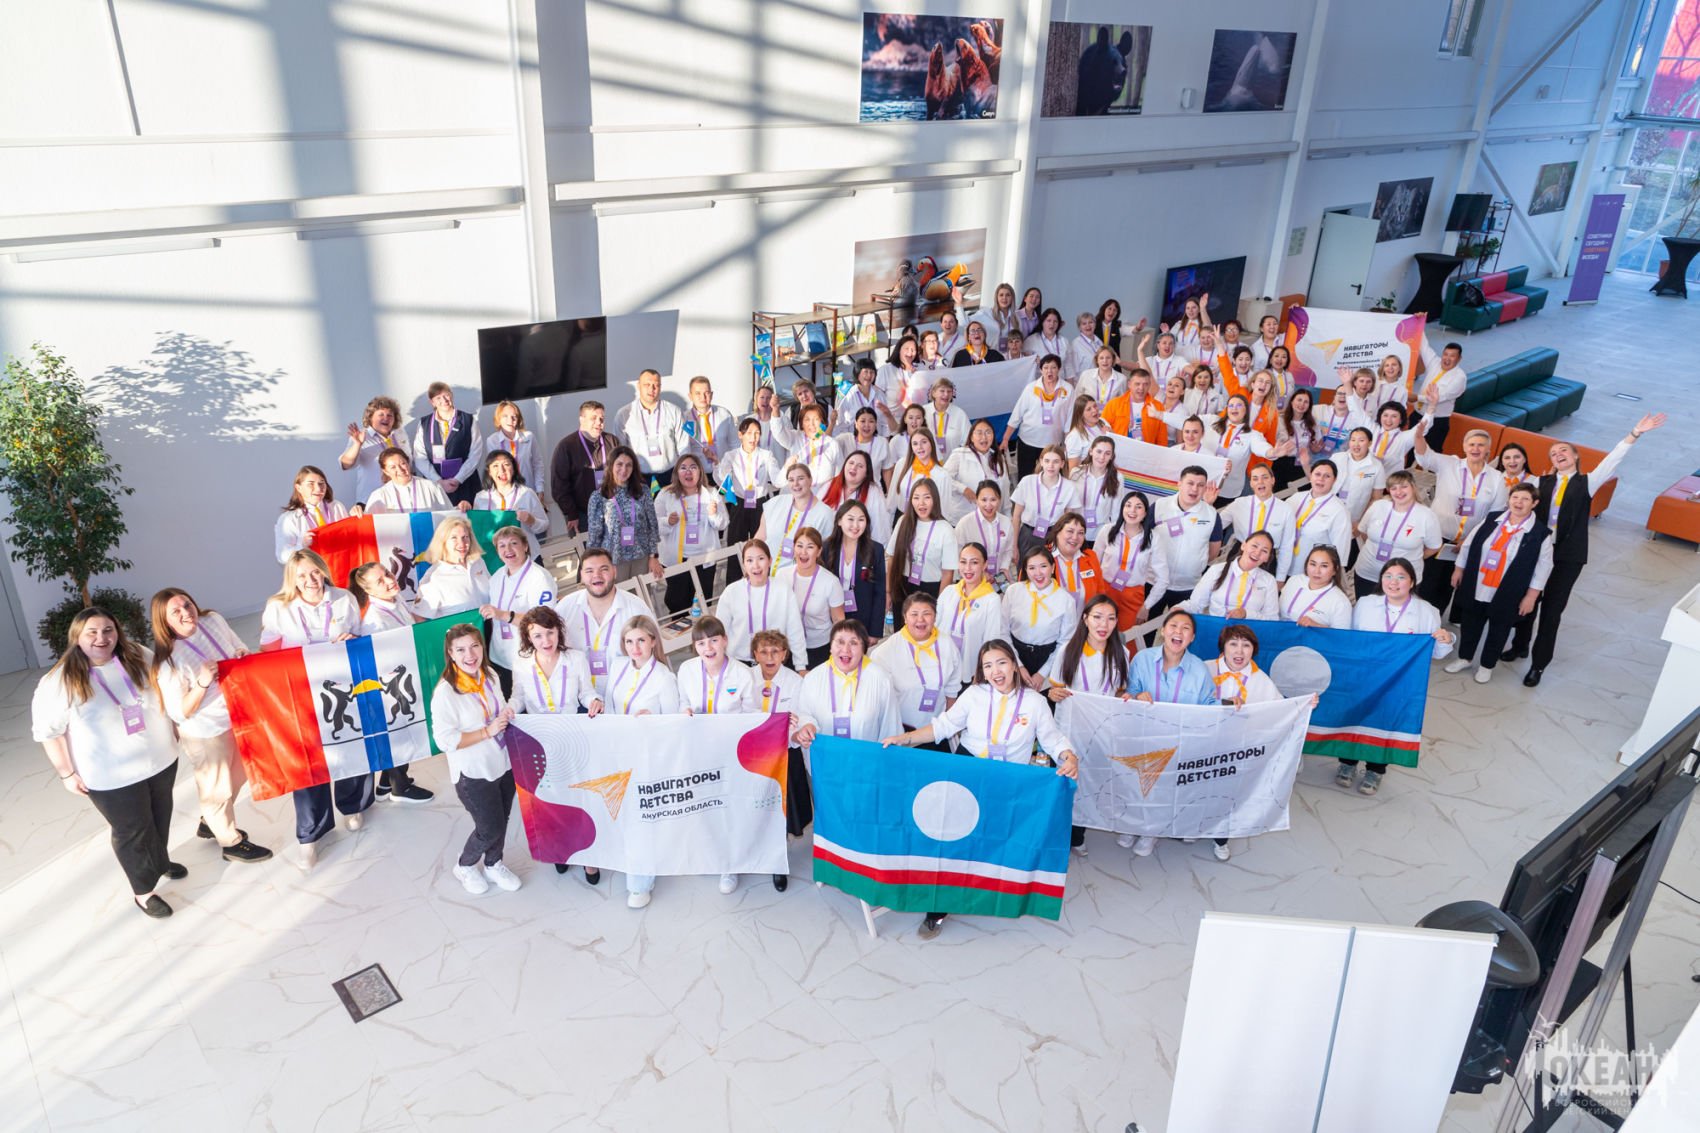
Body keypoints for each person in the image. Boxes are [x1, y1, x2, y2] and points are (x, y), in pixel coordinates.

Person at [881, 638, 1079, 939]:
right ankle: (938, 905)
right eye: (988, 666)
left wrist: (1069, 756)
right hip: (968, 772)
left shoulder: (1035, 702)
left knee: (994, 837)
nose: (995, 671)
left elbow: (1052, 739)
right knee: (952, 839)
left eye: (1001, 663)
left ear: (1014, 665)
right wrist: (904, 739)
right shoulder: (974, 695)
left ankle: (987, 892)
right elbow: (942, 727)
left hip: (1007, 779)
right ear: (981, 671)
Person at [33, 608, 186, 916]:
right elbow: (48, 732)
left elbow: (162, 690)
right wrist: (66, 773)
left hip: (160, 760)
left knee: (160, 815)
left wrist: (174, 723)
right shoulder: (59, 680)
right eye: (91, 632)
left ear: (117, 631)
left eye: (108, 630)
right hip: (112, 776)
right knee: (133, 830)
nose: (101, 638)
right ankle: (143, 891)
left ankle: (159, 861)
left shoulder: (136, 655)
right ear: (76, 637)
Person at [1509, 413, 1666, 686]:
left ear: (1575, 456)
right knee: (1526, 601)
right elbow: (1515, 496)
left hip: (1568, 556)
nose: (1558, 455)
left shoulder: (1587, 482)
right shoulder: (1540, 483)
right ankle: (1519, 645)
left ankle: (1538, 665)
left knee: (1551, 612)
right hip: (1537, 552)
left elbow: (1613, 459)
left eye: (1563, 451)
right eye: (1553, 453)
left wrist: (1635, 432)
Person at [258, 551, 371, 867]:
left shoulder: (344, 598)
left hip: (343, 685)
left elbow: (361, 636)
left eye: (315, 572)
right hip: (302, 691)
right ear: (292, 579)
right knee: (308, 760)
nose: (310, 580)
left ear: (323, 571)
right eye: (302, 575)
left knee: (350, 746)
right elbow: (267, 649)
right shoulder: (278, 607)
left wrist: (353, 639)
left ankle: (353, 805)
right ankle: (311, 832)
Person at [145, 590, 272, 867]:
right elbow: (180, 712)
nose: (186, 612)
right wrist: (202, 683)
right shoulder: (168, 662)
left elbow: (237, 645)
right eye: (175, 612)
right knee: (217, 788)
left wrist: (241, 654)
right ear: (164, 621)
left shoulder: (212, 620)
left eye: (187, 604)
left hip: (238, 713)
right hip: (206, 731)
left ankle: (210, 821)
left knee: (241, 773)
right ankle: (230, 842)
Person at [1344, 558, 1454, 794]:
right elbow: (1351, 639)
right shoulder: (1365, 604)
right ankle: (1347, 762)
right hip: (1365, 677)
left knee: (1386, 724)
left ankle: (1375, 770)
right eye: (1388, 576)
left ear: (1412, 581)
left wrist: (1447, 640)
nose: (1393, 582)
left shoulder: (1427, 611)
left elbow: (1435, 652)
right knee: (1356, 718)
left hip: (1399, 682)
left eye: (1401, 577)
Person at [429, 624, 521, 895]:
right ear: (450, 653)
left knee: (502, 819)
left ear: (482, 647)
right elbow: (444, 740)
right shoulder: (445, 693)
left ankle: (493, 863)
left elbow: (499, 706)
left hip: (503, 762)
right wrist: (486, 732)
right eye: (461, 650)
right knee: (488, 828)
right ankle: (465, 865)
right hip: (474, 772)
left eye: (474, 646)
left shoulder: (489, 674)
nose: (469, 655)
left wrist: (506, 714)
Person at [1124, 610, 1220, 855]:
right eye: (1173, 625)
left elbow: (1210, 706)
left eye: (1185, 628)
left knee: (1164, 788)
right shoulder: (1142, 659)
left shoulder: (1199, 669)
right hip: (1143, 735)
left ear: (1192, 637)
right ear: (1163, 630)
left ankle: (1151, 831)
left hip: (1178, 742)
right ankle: (1132, 824)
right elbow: (1129, 691)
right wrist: (1136, 695)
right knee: (1136, 783)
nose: (1178, 631)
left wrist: (1232, 705)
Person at [1445, 483, 1553, 685]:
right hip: (1478, 583)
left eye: (1525, 499)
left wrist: (1531, 597)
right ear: (1509, 499)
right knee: (1470, 622)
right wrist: (1459, 569)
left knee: (1499, 628)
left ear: (1534, 503)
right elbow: (1469, 545)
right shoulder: (1492, 519)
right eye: (1515, 497)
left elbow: (1543, 568)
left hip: (1509, 590)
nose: (1518, 502)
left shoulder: (1540, 534)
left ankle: (1487, 666)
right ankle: (1465, 658)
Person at [1413, 422, 1508, 618]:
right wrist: (1419, 436)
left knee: (1446, 588)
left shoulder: (1497, 478)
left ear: (1488, 449)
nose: (1476, 449)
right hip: (1437, 539)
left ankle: (1434, 624)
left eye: (1481, 445)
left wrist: (1470, 539)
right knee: (1425, 584)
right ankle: (1413, 622)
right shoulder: (1449, 464)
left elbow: (1495, 516)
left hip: (1465, 545)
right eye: (1471, 444)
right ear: (1464, 446)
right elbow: (1425, 456)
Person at [554, 548, 652, 699]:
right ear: (581, 575)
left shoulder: (636, 608)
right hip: (578, 699)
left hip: (626, 697)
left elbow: (653, 654)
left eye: (604, 569)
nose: (597, 575)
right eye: (589, 571)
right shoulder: (565, 608)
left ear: (614, 572)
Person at [790, 620, 902, 748]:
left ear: (864, 649)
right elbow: (804, 713)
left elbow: (890, 726)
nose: (846, 649)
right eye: (840, 642)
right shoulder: (813, 678)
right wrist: (807, 726)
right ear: (830, 647)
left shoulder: (881, 679)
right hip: (825, 756)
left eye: (853, 643)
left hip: (865, 758)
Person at [871, 592, 962, 749]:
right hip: (900, 734)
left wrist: (949, 726)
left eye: (927, 614)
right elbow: (877, 700)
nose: (920, 620)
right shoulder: (885, 652)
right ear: (905, 618)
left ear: (935, 617)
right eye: (914, 614)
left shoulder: (947, 644)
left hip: (936, 732)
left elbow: (951, 691)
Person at [479, 525, 554, 689]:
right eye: (502, 545)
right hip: (500, 658)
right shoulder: (496, 577)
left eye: (514, 543)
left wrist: (503, 615)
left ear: (525, 546)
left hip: (529, 659)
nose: (508, 550)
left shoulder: (539, 577)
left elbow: (543, 621)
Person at [655, 452, 727, 615]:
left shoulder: (711, 493)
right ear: (676, 473)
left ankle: (703, 631)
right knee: (677, 604)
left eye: (693, 467)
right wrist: (667, 521)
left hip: (705, 559)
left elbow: (723, 524)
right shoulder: (666, 494)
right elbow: (654, 525)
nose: (688, 471)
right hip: (676, 559)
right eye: (683, 468)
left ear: (700, 471)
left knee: (703, 605)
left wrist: (714, 514)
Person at [719, 539, 807, 665]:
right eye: (749, 560)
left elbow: (795, 630)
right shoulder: (731, 592)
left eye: (761, 558)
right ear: (744, 564)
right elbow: (720, 632)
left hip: (774, 661)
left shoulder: (783, 590)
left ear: (770, 561)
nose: (756, 565)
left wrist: (801, 665)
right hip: (738, 662)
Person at [1353, 471, 1442, 597]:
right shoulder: (1378, 506)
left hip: (1402, 580)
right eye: (1393, 488)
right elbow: (1363, 531)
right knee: (1364, 607)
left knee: (1398, 609)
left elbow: (1434, 547)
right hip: (1367, 573)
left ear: (1413, 487)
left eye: (1404, 486)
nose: (1398, 492)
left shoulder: (1426, 516)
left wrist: (1412, 557)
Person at [1150, 467, 1224, 615]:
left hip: (1188, 586)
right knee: (1146, 625)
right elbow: (1143, 539)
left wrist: (1195, 564)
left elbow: (1213, 552)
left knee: (1181, 626)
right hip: (1153, 581)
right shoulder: (1159, 506)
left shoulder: (1212, 515)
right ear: (1179, 484)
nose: (1195, 489)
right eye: (1190, 483)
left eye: (1200, 485)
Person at [586, 444, 663, 583]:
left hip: (641, 557)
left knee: (641, 595)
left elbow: (652, 525)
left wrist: (654, 556)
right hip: (613, 560)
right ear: (611, 466)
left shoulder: (643, 491)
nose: (624, 469)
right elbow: (594, 535)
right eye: (619, 464)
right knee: (617, 595)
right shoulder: (599, 497)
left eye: (629, 465)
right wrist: (593, 565)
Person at [1095, 490, 1167, 633]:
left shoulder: (1153, 538)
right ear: (1122, 508)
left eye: (1138, 507)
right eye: (1128, 505)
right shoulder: (1108, 530)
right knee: (1100, 634)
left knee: (1127, 640)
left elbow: (1163, 579)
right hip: (1104, 592)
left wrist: (1146, 606)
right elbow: (1094, 563)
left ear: (1145, 513)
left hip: (1132, 598)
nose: (1132, 510)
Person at [774, 527, 846, 668]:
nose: (803, 552)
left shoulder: (830, 582)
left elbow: (839, 620)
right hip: (788, 645)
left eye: (810, 547)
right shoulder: (782, 575)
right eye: (799, 546)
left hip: (819, 647)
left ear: (819, 552)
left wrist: (838, 650)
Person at [1004, 543, 1076, 677]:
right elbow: (1003, 631)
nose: (1038, 573)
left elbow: (1065, 642)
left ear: (1053, 568)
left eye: (1043, 566)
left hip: (1049, 659)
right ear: (1025, 570)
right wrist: (1018, 665)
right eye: (1032, 568)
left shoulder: (1066, 600)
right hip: (1014, 653)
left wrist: (1042, 674)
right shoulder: (1013, 591)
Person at [937, 543, 1004, 685]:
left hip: (969, 671)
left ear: (985, 565)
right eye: (963, 562)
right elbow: (934, 626)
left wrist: (981, 673)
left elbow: (990, 640)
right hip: (940, 664)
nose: (967, 568)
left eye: (974, 562)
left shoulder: (991, 600)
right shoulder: (949, 591)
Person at [550, 400, 618, 537]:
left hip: (612, 511)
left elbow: (624, 474)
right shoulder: (566, 446)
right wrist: (571, 514)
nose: (599, 423)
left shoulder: (612, 441)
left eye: (602, 419)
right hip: (582, 515)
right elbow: (559, 486)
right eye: (594, 418)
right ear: (581, 419)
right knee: (589, 550)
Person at [888, 479, 958, 610]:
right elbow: (891, 557)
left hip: (931, 589)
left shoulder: (945, 529)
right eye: (916, 498)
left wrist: (940, 604)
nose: (921, 503)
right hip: (902, 586)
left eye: (927, 497)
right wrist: (888, 591)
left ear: (935, 499)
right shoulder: (903, 521)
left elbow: (948, 573)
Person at [1001, 355, 1075, 479]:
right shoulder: (1031, 388)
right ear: (1040, 370)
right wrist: (1005, 438)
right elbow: (1017, 415)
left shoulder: (1068, 389)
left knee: (1052, 477)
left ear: (1059, 369)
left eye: (1053, 367)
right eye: (1045, 368)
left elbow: (1070, 418)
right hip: (1028, 440)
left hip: (1052, 443)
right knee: (1026, 477)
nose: (1049, 371)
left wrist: (1068, 444)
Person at [410, 382, 482, 506]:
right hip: (435, 485)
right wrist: (438, 481)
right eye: (438, 398)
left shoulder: (468, 420)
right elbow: (419, 456)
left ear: (451, 396)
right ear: (432, 402)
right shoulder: (424, 424)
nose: (444, 400)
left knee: (467, 517)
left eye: (446, 395)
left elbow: (475, 453)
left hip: (465, 483)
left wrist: (458, 479)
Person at [823, 501, 886, 639]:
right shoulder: (826, 548)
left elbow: (880, 593)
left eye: (861, 520)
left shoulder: (876, 550)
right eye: (850, 519)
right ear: (839, 521)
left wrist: (874, 632)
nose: (856, 525)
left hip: (863, 619)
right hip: (831, 618)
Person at [718, 416, 784, 545]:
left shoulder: (766, 455)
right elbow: (723, 477)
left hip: (759, 502)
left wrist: (787, 468)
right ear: (740, 435)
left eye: (757, 433)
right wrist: (719, 466)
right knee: (736, 544)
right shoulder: (731, 456)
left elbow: (777, 480)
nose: (753, 438)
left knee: (761, 543)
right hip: (739, 502)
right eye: (749, 433)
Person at [755, 463, 835, 569]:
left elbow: (827, 553)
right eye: (791, 480)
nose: (795, 484)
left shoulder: (825, 514)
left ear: (810, 480)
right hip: (766, 572)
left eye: (800, 478)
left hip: (800, 575)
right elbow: (759, 538)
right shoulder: (775, 503)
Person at [1184, 533, 1280, 619]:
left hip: (1250, 632)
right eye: (1254, 546)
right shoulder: (1216, 570)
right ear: (1243, 545)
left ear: (1267, 558)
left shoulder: (1269, 580)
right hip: (1216, 629)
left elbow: (1272, 619)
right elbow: (1195, 605)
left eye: (1264, 551)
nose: (1257, 553)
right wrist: (1179, 609)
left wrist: (1247, 614)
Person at [1224, 465, 1297, 576]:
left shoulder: (1286, 509)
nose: (1260, 482)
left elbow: (1287, 547)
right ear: (1251, 484)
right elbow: (1216, 524)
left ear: (1272, 480)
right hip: (1240, 553)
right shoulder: (1239, 504)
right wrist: (1208, 503)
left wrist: (1280, 577)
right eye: (1255, 479)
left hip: (1267, 559)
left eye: (1265, 477)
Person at [615, 368, 684, 487]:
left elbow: (684, 446)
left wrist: (682, 475)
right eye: (647, 385)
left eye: (656, 385)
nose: (652, 389)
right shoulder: (624, 414)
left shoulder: (674, 411)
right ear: (639, 386)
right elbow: (620, 450)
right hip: (638, 477)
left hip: (670, 476)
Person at [1010, 444, 1082, 556]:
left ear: (1062, 464)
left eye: (1056, 462)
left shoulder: (1069, 487)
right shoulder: (1027, 482)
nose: (1051, 466)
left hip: (1054, 536)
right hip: (1028, 535)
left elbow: (1069, 521)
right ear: (1041, 462)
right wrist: (1014, 546)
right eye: (1047, 461)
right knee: (1025, 566)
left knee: (1052, 567)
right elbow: (1016, 517)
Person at [415, 515, 491, 619]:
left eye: (465, 537)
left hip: (491, 626)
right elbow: (418, 617)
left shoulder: (478, 562)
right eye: (454, 538)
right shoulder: (433, 577)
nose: (462, 543)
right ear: (443, 541)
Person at [472, 450, 548, 552]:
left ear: (513, 468)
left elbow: (544, 525)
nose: (501, 470)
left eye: (506, 464)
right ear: (489, 472)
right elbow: (477, 530)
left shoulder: (527, 493)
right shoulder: (481, 498)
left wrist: (531, 520)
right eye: (495, 466)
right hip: (494, 556)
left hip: (526, 554)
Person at [1289, 460, 1354, 579]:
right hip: (1285, 566)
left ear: (1334, 480)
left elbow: (1339, 554)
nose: (1321, 479)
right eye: (1317, 474)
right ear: (1310, 476)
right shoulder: (1295, 499)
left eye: (1327, 476)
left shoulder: (1339, 511)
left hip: (1312, 575)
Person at [1211, 394, 1283, 498]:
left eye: (1239, 405)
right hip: (1206, 484)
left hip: (1230, 490)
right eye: (1231, 405)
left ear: (1246, 410)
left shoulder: (1252, 435)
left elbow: (1261, 447)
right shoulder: (1212, 423)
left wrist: (1273, 452)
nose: (1234, 408)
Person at [339, 395, 407, 506]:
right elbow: (345, 464)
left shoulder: (399, 436)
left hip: (400, 501)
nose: (386, 418)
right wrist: (357, 444)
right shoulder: (362, 436)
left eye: (390, 415)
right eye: (381, 414)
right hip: (371, 502)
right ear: (370, 417)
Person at [275, 465, 349, 564]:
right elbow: (282, 557)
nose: (318, 489)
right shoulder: (289, 519)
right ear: (299, 487)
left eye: (321, 483)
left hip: (339, 566)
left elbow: (350, 538)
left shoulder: (336, 507)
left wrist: (355, 517)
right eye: (311, 484)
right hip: (312, 570)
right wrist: (301, 545)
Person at [480, 399, 545, 507]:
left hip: (529, 491)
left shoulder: (529, 437)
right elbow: (495, 469)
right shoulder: (492, 440)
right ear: (498, 419)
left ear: (518, 419)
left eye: (514, 416)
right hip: (506, 495)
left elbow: (538, 464)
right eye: (505, 416)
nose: (510, 420)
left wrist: (540, 489)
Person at [890, 427, 960, 518]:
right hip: (902, 517)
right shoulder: (902, 464)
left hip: (928, 520)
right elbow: (892, 497)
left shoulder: (942, 475)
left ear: (931, 444)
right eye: (915, 444)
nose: (919, 447)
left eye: (924, 442)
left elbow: (944, 510)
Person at [945, 420, 1011, 515]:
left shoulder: (998, 457)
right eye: (979, 433)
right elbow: (944, 479)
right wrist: (963, 489)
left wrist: (1008, 516)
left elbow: (1005, 490)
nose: (984, 437)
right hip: (963, 516)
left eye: (988, 432)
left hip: (992, 517)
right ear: (971, 437)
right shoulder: (959, 454)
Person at [956, 480, 1016, 585]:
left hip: (1000, 576)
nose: (988, 505)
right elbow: (957, 554)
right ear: (977, 500)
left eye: (993, 499)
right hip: (973, 577)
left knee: (1004, 594)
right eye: (984, 500)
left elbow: (1008, 550)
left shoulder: (1006, 522)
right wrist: (980, 573)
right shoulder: (964, 524)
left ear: (999, 500)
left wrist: (1003, 568)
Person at [1278, 546, 1354, 628]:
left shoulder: (1340, 602)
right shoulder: (1294, 581)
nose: (1317, 571)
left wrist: (1317, 625)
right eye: (1313, 564)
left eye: (1324, 566)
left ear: (1335, 570)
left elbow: (1340, 635)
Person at [1413, 341, 1468, 451]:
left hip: (1437, 423)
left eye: (1452, 356)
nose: (1447, 358)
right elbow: (1423, 345)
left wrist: (1416, 397)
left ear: (1459, 359)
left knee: (1431, 454)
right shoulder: (1435, 363)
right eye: (1445, 354)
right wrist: (1417, 328)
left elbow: (1437, 398)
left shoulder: (1460, 378)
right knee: (1411, 450)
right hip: (1417, 416)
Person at [1049, 511, 1107, 609]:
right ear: (1058, 532)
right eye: (1070, 531)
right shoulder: (1042, 557)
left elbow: (1100, 592)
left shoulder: (1090, 557)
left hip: (1084, 617)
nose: (1075, 537)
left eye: (1081, 533)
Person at [1335, 427, 1388, 533]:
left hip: (1354, 517)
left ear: (1369, 443)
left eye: (1361, 440)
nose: (1356, 444)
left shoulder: (1376, 466)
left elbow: (1376, 499)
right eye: (1353, 440)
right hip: (1332, 509)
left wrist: (1362, 522)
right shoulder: (1337, 458)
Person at [365, 449, 451, 514]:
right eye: (393, 467)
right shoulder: (379, 496)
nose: (400, 470)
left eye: (403, 464)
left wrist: (458, 508)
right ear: (385, 471)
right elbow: (369, 524)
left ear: (408, 463)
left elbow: (449, 516)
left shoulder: (431, 487)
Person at [681, 376, 737, 469]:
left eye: (706, 393)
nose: (703, 397)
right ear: (690, 396)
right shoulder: (684, 420)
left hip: (723, 469)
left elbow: (734, 444)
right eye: (698, 393)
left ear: (711, 394)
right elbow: (683, 451)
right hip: (698, 472)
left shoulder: (724, 415)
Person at [1073, 436, 1120, 544]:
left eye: (1107, 453)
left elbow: (1116, 512)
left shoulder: (1118, 478)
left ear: (1112, 456)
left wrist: (1113, 536)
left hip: (1100, 535)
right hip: (1076, 533)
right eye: (1099, 451)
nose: (1102, 457)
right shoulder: (1076, 473)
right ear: (1091, 451)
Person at [1272, 388, 1321, 487]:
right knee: (1280, 493)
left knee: (1301, 493)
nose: (1302, 404)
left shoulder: (1312, 423)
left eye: (1306, 402)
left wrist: (1315, 449)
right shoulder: (1279, 420)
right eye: (1299, 400)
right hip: (1281, 462)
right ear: (1292, 401)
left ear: (1309, 405)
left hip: (1302, 464)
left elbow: (1315, 447)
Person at [1369, 403, 1417, 478]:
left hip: (1390, 481)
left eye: (1394, 416)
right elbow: (1357, 411)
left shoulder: (1405, 437)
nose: (1388, 420)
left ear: (1401, 420)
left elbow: (1423, 427)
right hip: (1367, 477)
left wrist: (1431, 409)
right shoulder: (1372, 429)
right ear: (1380, 417)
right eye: (1385, 415)